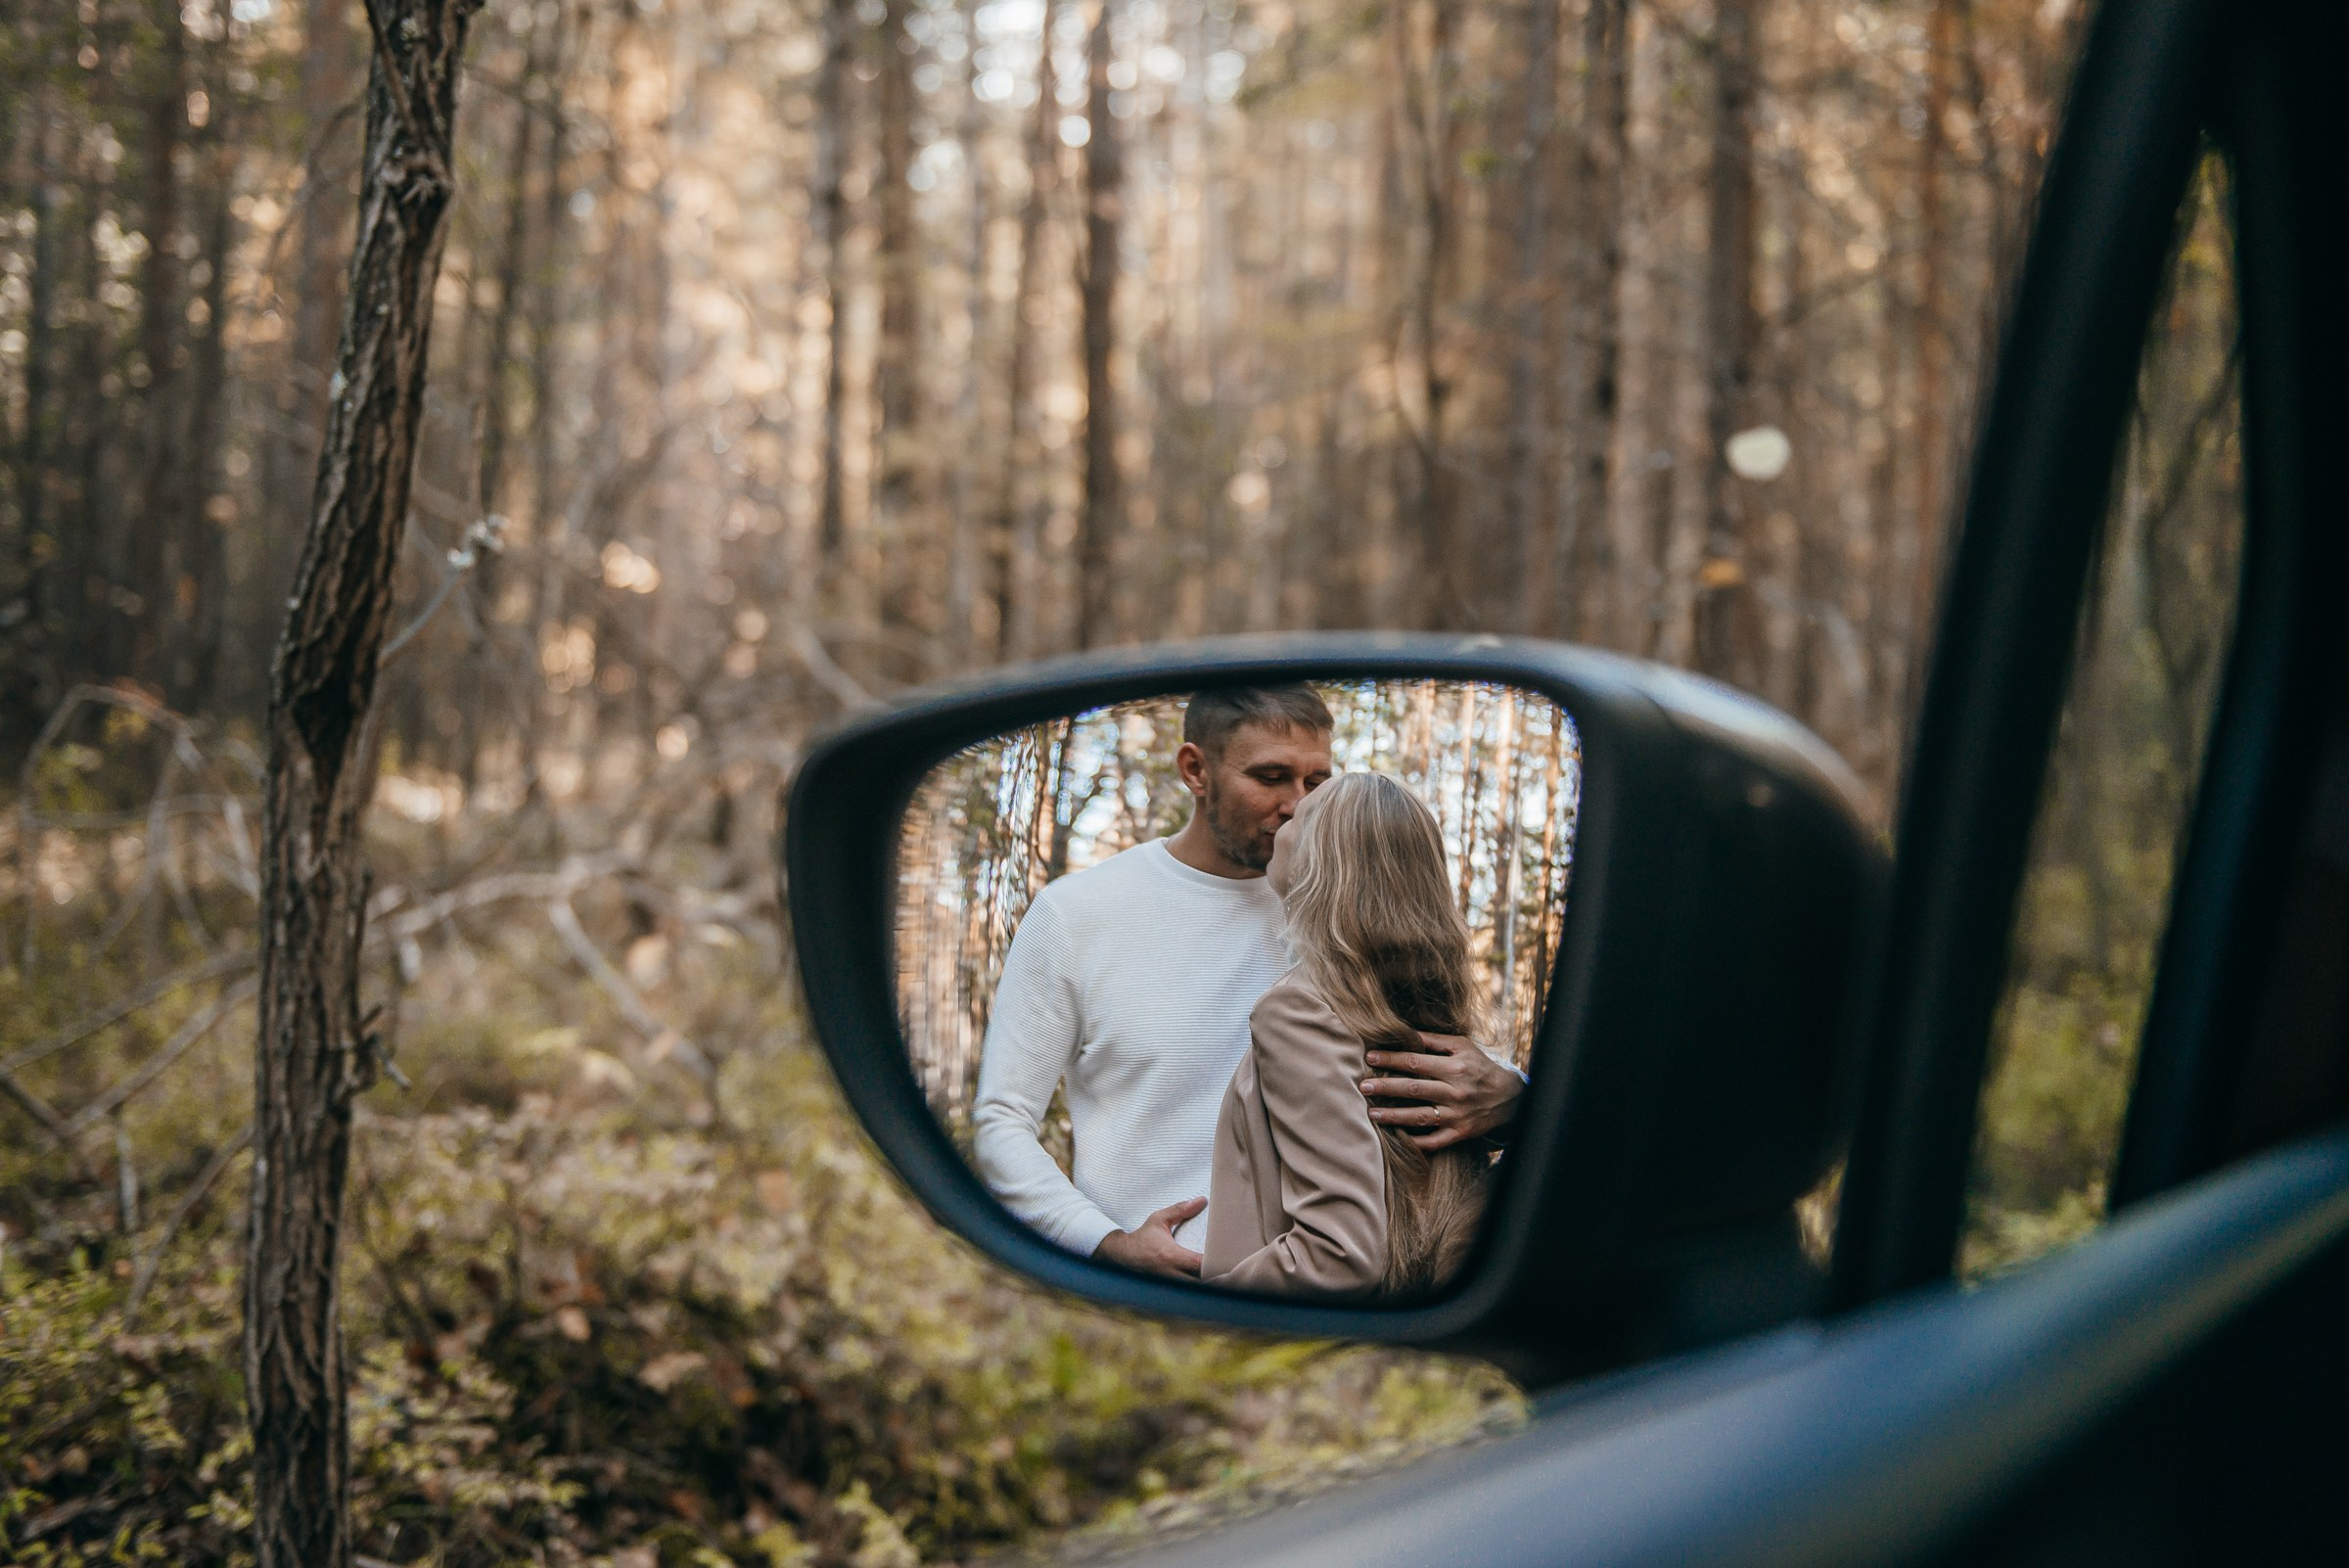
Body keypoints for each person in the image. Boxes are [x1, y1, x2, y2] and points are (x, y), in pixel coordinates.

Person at [971, 685, 1523, 1278]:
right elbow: (1002, 1118)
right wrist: (1102, 1243)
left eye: (1317, 784)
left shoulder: (1348, 911)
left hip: (1344, 1306)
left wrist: (1515, 1098)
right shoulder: (1078, 913)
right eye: (1270, 776)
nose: (1295, 805)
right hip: (1150, 1308)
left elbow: (1443, 1065)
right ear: (1195, 769)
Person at [1202, 773, 1492, 1298]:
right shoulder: (1412, 1001)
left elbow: (1340, 1254)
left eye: (1300, 816)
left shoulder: (1298, 1008)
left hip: (1276, 1349)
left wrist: (1207, 1304)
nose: (1284, 817)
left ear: (1322, 859)